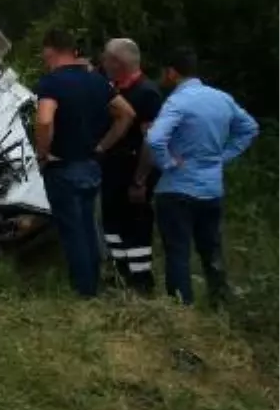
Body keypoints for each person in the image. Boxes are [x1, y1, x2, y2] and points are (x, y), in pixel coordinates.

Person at [146, 47, 259, 307]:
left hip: (177, 188)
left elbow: (154, 138)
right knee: (211, 249)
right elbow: (250, 128)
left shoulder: (177, 102)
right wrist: (224, 155)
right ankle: (220, 301)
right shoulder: (221, 98)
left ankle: (181, 307)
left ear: (172, 73)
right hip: (211, 188)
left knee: (178, 252)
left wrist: (167, 162)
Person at [34, 29, 138, 298]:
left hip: (63, 167)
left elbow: (45, 120)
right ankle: (96, 286)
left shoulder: (51, 83)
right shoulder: (96, 81)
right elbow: (126, 113)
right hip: (92, 166)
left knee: (73, 232)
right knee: (90, 228)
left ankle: (84, 292)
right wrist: (102, 146)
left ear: (50, 50)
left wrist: (42, 153)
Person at [98, 38, 165, 295]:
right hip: (113, 170)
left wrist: (140, 180)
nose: (103, 63)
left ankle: (141, 281)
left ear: (119, 62)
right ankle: (119, 272)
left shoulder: (146, 93)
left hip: (134, 171)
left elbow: (152, 139)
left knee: (136, 225)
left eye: (106, 58)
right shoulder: (115, 90)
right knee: (113, 222)